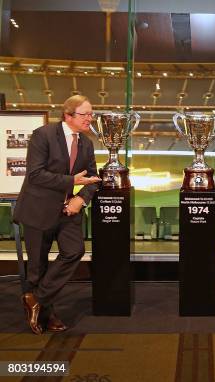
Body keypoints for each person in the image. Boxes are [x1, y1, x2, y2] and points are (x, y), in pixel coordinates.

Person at [13, 95, 101, 334]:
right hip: (38, 210)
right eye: (85, 114)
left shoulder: (86, 143)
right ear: (68, 115)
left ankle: (35, 299)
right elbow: (35, 174)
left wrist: (80, 199)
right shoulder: (44, 135)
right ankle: (47, 315)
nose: (90, 119)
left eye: (91, 114)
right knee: (37, 267)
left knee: (74, 252)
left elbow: (93, 179)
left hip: (68, 211)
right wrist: (72, 181)